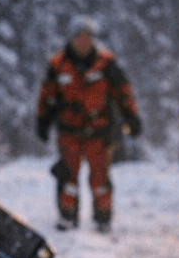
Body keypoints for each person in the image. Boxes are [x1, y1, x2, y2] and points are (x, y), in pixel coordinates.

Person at [36, 17, 141, 232]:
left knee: (100, 178)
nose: (83, 42)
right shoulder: (58, 64)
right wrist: (42, 120)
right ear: (71, 39)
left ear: (93, 40)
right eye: (79, 37)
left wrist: (131, 116)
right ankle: (67, 216)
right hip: (69, 131)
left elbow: (123, 92)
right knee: (67, 176)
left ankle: (103, 218)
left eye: (87, 37)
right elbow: (47, 95)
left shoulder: (106, 63)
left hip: (99, 130)